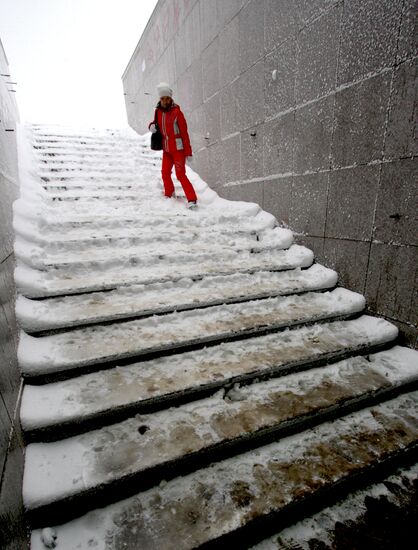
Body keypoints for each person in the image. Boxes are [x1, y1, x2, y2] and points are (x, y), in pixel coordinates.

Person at [149, 82, 198, 209]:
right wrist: (151, 126)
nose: (165, 101)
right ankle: (169, 195)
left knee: (180, 175)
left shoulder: (177, 113)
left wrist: (188, 152)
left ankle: (192, 199)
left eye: (167, 98)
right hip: (166, 149)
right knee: (165, 172)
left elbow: (184, 133)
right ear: (159, 99)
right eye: (162, 98)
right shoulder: (158, 111)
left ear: (171, 98)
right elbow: (155, 123)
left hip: (178, 149)